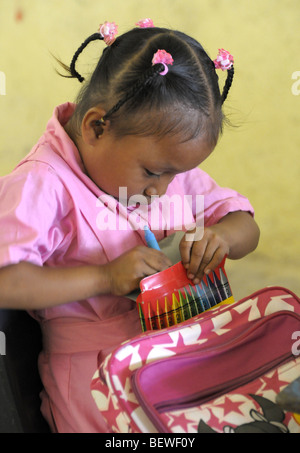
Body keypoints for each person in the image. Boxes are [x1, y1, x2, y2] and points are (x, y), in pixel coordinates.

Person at [0, 20, 260, 433]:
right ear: (96, 127)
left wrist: (221, 237)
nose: (163, 190)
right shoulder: (42, 184)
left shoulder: (170, 168)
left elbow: (246, 226)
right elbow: (7, 281)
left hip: (177, 358)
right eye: (154, 172)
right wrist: (104, 277)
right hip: (95, 383)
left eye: (176, 175)